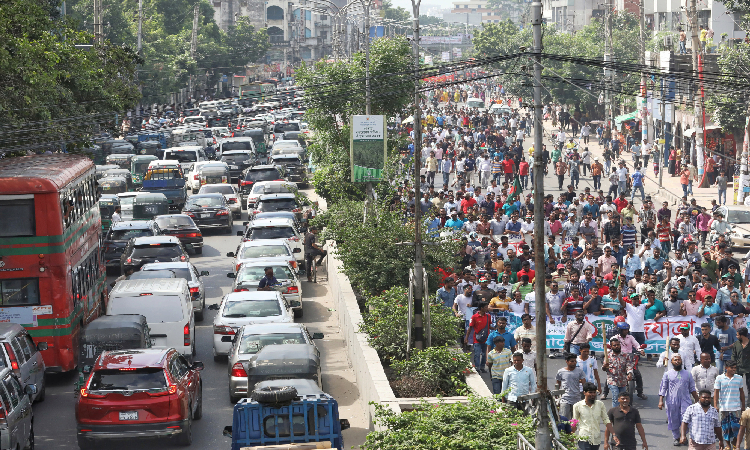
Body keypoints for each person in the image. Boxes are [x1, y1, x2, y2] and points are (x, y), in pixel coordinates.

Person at [659, 354, 700, 445]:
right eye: (675, 360)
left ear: (682, 361)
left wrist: (697, 400)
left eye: (679, 360)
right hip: (671, 401)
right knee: (673, 419)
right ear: (672, 362)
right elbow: (663, 388)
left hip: (685, 400)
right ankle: (676, 437)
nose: (677, 361)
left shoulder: (688, 374)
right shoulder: (667, 374)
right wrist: (661, 401)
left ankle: (683, 435)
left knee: (685, 419)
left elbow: (692, 388)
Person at [573, 382, 618, 450]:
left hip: (596, 439)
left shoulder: (600, 404)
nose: (593, 394)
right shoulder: (577, 406)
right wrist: (570, 438)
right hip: (584, 438)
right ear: (584, 392)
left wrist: (614, 434)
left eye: (594, 392)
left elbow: (606, 420)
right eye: (590, 392)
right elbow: (574, 422)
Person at [603, 337, 635, 408]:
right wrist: (605, 366)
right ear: (611, 347)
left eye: (618, 345)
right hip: (612, 380)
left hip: (623, 381)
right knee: (616, 397)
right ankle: (615, 414)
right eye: (614, 345)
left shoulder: (625, 356)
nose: (617, 346)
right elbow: (604, 369)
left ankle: (622, 411)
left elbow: (629, 366)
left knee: (622, 398)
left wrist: (629, 374)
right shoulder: (608, 356)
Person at [713, 360, 745, 427]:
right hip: (724, 408)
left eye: (735, 368)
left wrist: (743, 406)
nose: (734, 369)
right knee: (725, 430)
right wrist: (715, 406)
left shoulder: (739, 378)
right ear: (726, 368)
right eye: (732, 367)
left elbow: (742, 392)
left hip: (736, 408)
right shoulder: (719, 378)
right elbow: (716, 392)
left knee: (736, 430)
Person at [464, 302, 494, 373]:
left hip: (486, 339)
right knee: (477, 354)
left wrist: (495, 328)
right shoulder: (474, 317)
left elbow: (489, 326)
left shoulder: (488, 316)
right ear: (482, 308)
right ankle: (477, 367)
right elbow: (470, 328)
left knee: (484, 354)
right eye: (486, 307)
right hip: (477, 339)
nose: (487, 308)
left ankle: (482, 367)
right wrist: (466, 337)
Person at [557, 353, 587, 419]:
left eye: (575, 361)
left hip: (576, 398)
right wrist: (557, 396)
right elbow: (558, 384)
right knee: (564, 419)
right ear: (567, 361)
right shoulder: (561, 372)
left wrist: (586, 395)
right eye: (572, 361)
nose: (574, 363)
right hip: (565, 398)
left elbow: (584, 384)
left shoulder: (580, 371)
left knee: (575, 419)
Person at [730, 327, 750, 394]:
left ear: (742, 335)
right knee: (737, 387)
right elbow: (733, 355)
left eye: (737, 335)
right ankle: (738, 402)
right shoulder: (736, 344)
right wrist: (733, 366)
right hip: (738, 368)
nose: (736, 336)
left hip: (749, 368)